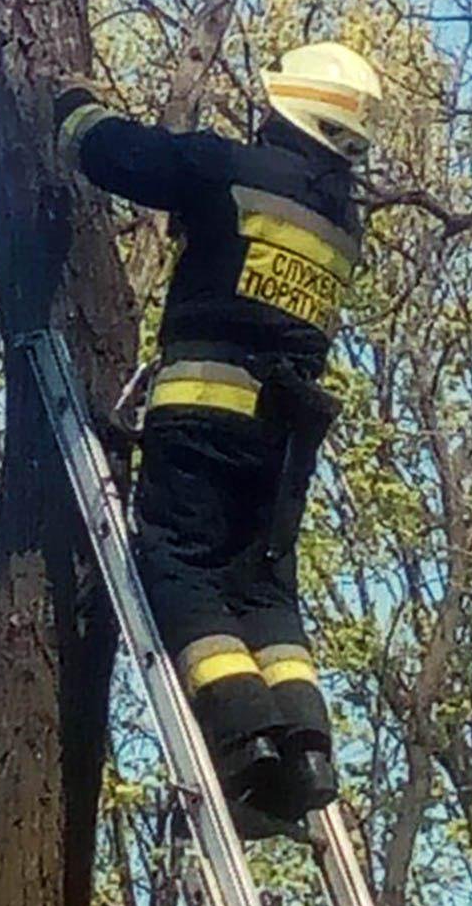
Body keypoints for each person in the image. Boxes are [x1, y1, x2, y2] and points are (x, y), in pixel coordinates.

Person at [54, 43, 382, 836]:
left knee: (179, 565)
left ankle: (243, 745)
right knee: (262, 591)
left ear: (289, 110)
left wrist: (69, 104)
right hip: (284, 445)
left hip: (203, 417)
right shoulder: (343, 225)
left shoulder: (228, 170)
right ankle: (307, 749)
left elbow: (118, 153)